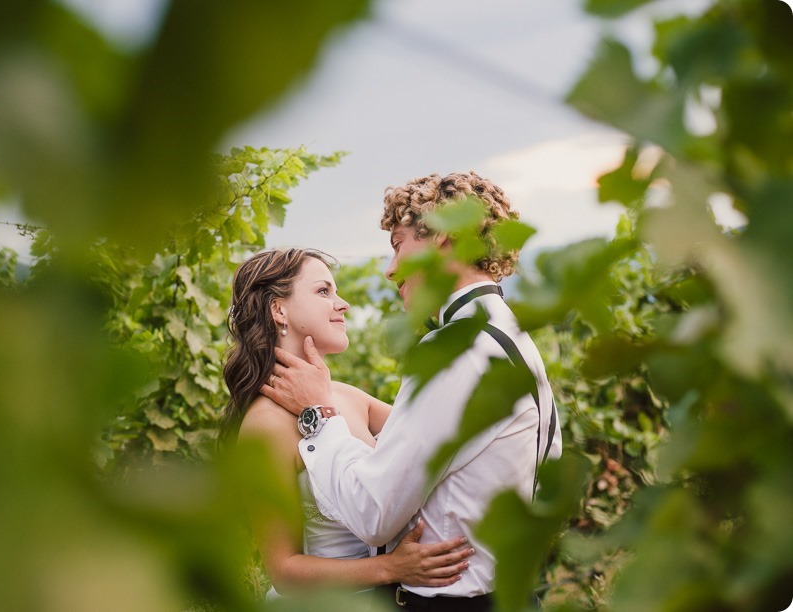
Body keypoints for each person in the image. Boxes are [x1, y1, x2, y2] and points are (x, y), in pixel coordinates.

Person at [261, 171, 562, 611]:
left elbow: (373, 515)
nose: (391, 269)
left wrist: (318, 413)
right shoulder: (509, 337)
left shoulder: (455, 349)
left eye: (399, 244)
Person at [218, 247, 475, 601]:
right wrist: (391, 569)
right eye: (324, 291)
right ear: (279, 310)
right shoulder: (265, 424)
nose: (343, 304)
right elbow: (283, 570)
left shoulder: (350, 397)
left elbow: (440, 437)